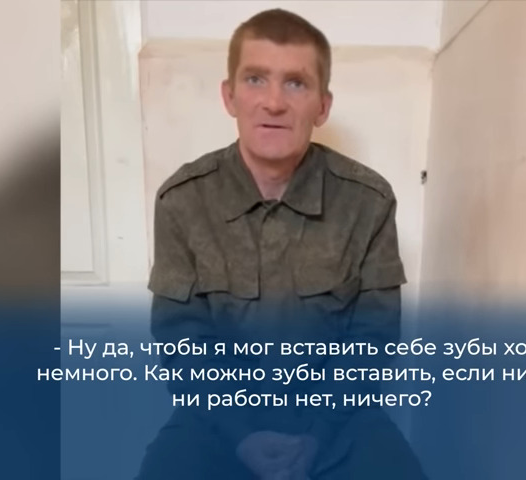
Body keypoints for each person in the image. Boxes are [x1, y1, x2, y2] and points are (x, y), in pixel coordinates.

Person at [136, 9, 427, 480]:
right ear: (229, 96)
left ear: (323, 106)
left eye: (295, 83)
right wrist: (243, 435)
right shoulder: (183, 200)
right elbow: (182, 341)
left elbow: (372, 341)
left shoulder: (367, 201)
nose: (273, 102)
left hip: (339, 421)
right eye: (255, 79)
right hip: (219, 421)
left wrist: (315, 436)